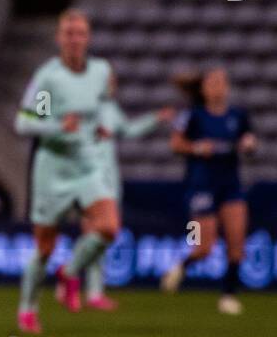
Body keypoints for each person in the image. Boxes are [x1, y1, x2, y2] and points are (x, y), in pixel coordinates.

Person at [12, 8, 118, 334]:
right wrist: (59, 125)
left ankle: (70, 273)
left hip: (86, 165)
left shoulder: (100, 72)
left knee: (109, 227)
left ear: (88, 38)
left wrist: (102, 125)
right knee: (45, 247)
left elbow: (101, 107)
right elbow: (25, 123)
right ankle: (28, 309)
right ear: (59, 38)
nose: (74, 39)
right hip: (53, 168)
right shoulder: (49, 78)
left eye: (80, 33)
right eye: (68, 33)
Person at [160, 68, 257, 314]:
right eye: (212, 83)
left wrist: (249, 144)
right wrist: (197, 148)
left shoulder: (238, 115)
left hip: (231, 185)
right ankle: (181, 267)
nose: (217, 87)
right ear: (203, 89)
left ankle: (228, 294)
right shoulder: (193, 116)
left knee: (237, 241)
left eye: (221, 83)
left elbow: (249, 141)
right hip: (201, 185)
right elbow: (176, 144)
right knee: (204, 247)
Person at [77, 81, 175, 310]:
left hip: (110, 180)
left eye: (112, 81)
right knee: (95, 233)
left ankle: (89, 288)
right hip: (88, 179)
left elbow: (129, 130)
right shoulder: (82, 107)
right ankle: (79, 282)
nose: (111, 84)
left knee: (103, 237)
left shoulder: (110, 109)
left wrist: (155, 119)